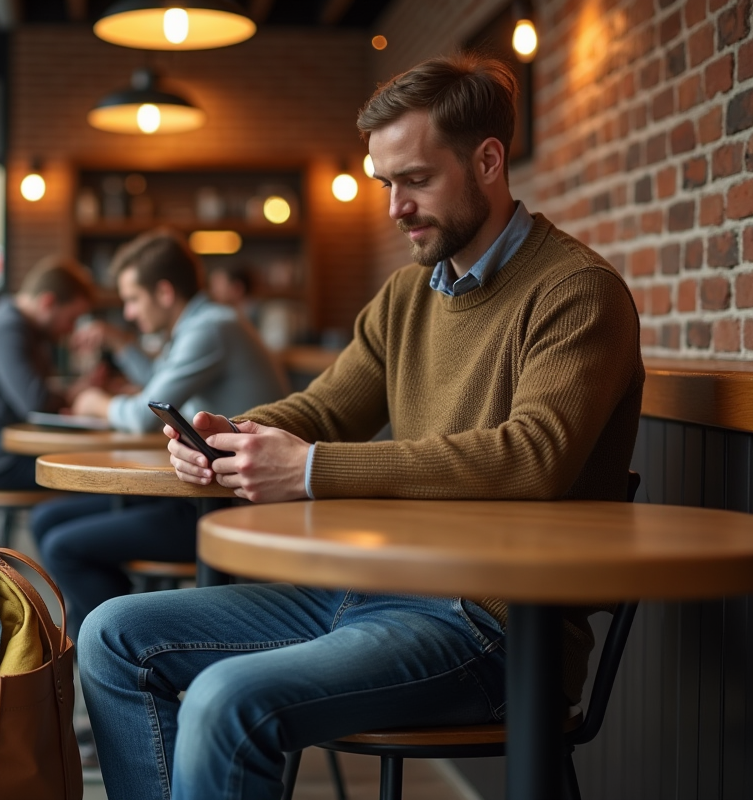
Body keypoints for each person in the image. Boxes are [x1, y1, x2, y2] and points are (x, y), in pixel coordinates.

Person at [77, 54, 645, 800]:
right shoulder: (408, 296)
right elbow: (323, 407)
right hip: (372, 589)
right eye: (386, 184)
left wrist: (311, 470)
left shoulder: (578, 292)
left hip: (494, 626)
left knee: (225, 702)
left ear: (488, 161)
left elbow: (532, 459)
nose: (394, 208)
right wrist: (227, 433)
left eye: (415, 180)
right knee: (111, 636)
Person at [32, 230, 288, 641]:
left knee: (63, 545)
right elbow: (158, 388)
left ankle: (121, 641)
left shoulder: (212, 327)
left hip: (224, 504)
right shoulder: (202, 324)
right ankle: (99, 635)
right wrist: (121, 345)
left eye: (133, 300)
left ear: (164, 292)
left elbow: (140, 414)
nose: (129, 313)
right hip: (199, 491)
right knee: (47, 520)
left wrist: (95, 402)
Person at [0, 257, 96, 491]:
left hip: (5, 454)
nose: (71, 329)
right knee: (96, 476)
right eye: (72, 319)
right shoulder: (7, 330)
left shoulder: (15, 325)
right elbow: (35, 402)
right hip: (2, 463)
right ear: (48, 302)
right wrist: (75, 393)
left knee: (94, 469)